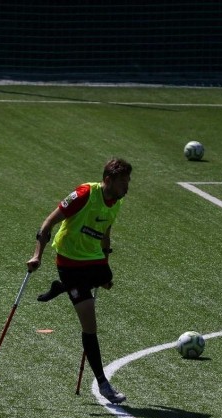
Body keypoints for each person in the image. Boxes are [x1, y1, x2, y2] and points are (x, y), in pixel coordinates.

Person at [26, 157, 133, 404]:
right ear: (108, 180)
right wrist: (37, 255)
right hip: (70, 261)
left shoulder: (116, 202)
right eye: (123, 182)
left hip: (94, 260)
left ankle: (63, 288)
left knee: (107, 279)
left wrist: (106, 264)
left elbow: (106, 233)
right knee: (90, 324)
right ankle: (104, 384)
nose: (127, 187)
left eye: (128, 181)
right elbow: (49, 222)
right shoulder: (84, 194)